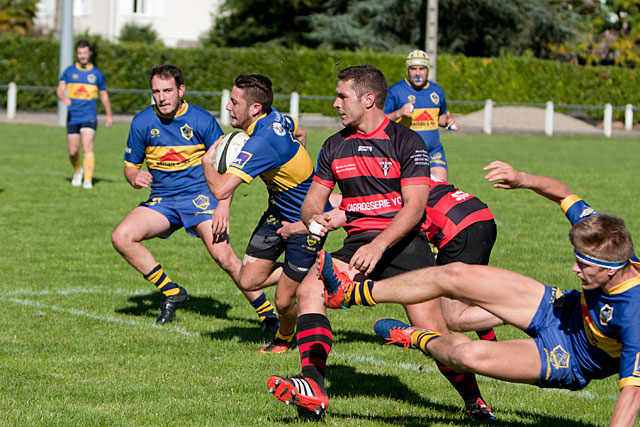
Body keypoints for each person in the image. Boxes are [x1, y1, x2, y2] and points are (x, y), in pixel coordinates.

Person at [319, 161, 640, 426]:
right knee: (454, 274)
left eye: (583, 265)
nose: (574, 268)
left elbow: (632, 396)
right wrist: (522, 178)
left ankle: (416, 337)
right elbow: (563, 193)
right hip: (558, 308)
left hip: (571, 357)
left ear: (611, 270)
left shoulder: (634, 315)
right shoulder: (605, 236)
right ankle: (352, 294)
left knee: (466, 356)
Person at [266, 65, 495, 422]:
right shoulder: (334, 145)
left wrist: (379, 245)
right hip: (357, 243)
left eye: (342, 96)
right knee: (310, 285)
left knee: (434, 336)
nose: (335, 103)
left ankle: (474, 402)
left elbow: (415, 207)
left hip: (404, 244)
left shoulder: (407, 142)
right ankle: (313, 384)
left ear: (368, 99)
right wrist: (316, 218)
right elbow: (314, 199)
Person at [111, 65, 279, 328]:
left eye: (167, 90)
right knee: (121, 237)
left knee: (224, 257)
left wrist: (223, 206)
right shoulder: (142, 122)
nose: (161, 97)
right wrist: (134, 177)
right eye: (156, 91)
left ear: (181, 90)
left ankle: (267, 314)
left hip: (200, 199)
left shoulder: (201, 120)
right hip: (163, 201)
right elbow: (130, 165)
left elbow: (228, 165)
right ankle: (171, 291)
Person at [202, 74, 325, 354]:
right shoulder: (276, 118)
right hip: (277, 210)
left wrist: (206, 161)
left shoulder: (261, 144)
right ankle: (313, 271)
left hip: (305, 221)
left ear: (254, 108)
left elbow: (220, 190)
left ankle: (283, 339)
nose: (228, 107)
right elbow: (301, 133)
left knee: (282, 301)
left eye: (234, 102)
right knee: (248, 280)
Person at [384, 50, 458, 181]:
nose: (418, 73)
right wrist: (398, 113)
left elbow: (439, 118)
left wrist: (448, 122)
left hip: (433, 151)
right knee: (410, 197)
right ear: (408, 70)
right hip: (405, 152)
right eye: (413, 69)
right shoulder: (396, 91)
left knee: (441, 189)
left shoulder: (437, 91)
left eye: (422, 69)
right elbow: (380, 120)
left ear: (427, 70)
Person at [57, 39, 113, 189]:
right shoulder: (69, 72)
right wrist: (63, 98)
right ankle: (78, 170)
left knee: (87, 146)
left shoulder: (97, 74)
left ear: (90, 53)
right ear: (77, 54)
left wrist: (108, 115)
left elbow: (103, 95)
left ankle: (87, 180)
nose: (82, 56)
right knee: (73, 151)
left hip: (89, 116)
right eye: (80, 53)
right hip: (73, 116)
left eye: (85, 53)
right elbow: (60, 89)